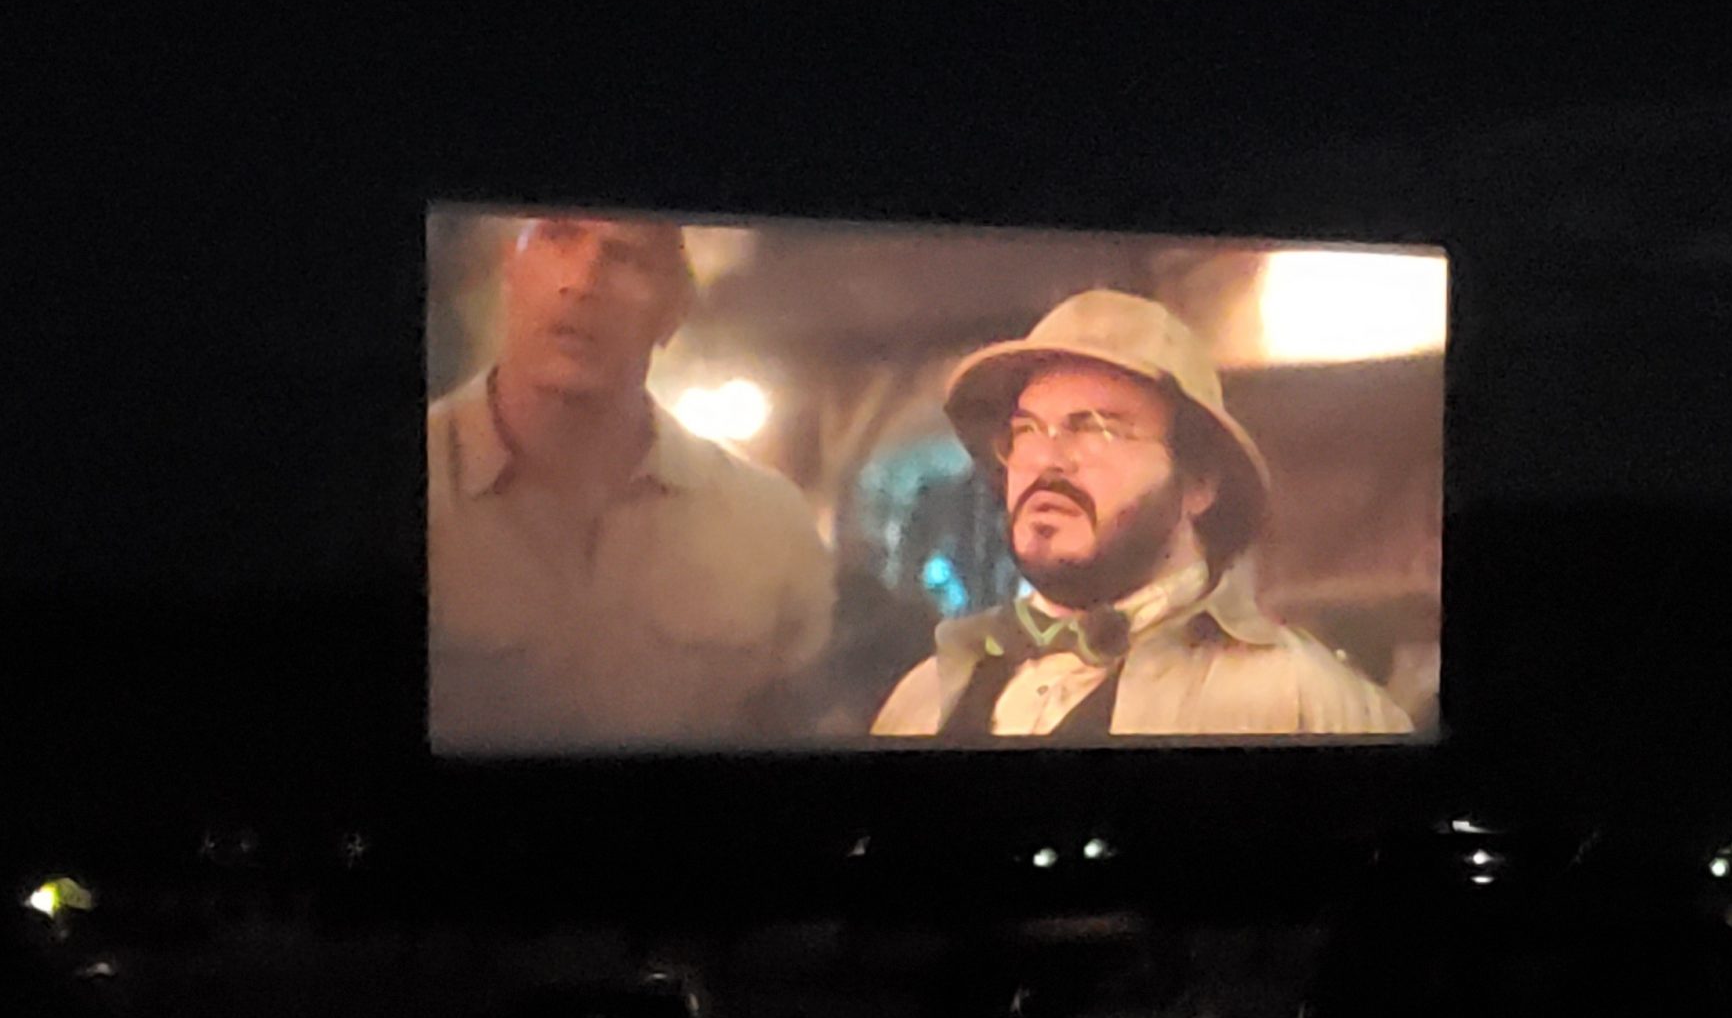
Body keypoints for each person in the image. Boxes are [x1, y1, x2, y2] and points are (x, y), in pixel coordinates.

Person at [870, 290, 1411, 739]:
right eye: (1027, 429)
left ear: (1199, 482)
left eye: (1098, 427)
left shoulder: (1299, 704)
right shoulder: (924, 698)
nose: (1048, 457)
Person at [428, 214, 834, 749]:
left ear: (673, 311)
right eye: (557, 236)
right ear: (511, 266)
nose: (582, 282)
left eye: (626, 256)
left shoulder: (769, 527)